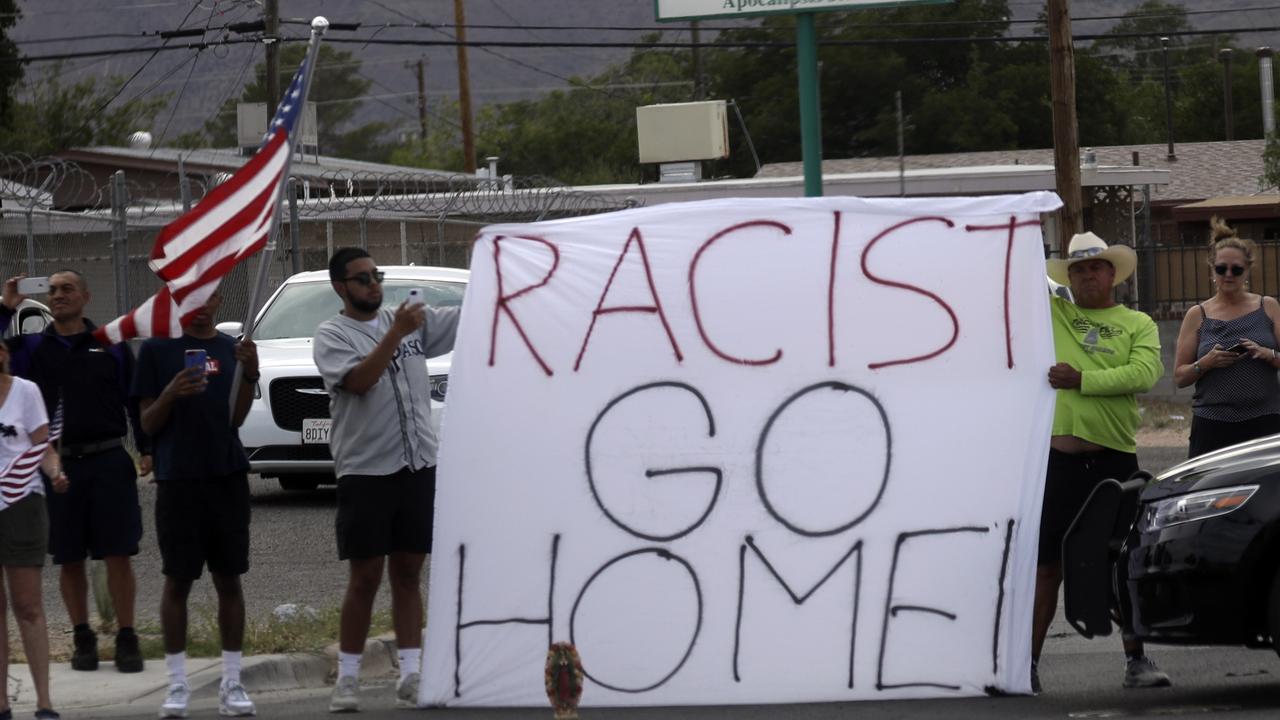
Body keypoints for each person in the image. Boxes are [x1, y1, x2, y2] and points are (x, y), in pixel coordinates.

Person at [313, 248, 460, 713]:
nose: (373, 285)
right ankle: (349, 679)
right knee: (365, 576)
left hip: (416, 465)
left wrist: (499, 268)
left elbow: (473, 314)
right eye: (361, 279)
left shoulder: (409, 322)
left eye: (376, 276)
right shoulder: (332, 335)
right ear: (341, 287)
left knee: (409, 573)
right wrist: (395, 334)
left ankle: (412, 675)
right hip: (366, 471)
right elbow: (359, 381)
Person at [1033, 232, 1169, 693]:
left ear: (1113, 274)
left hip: (1115, 460)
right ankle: (1025, 666)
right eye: (1079, 269)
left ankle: (1137, 659)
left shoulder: (1138, 323)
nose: (1088, 275)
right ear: (1068, 277)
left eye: (1097, 267)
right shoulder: (1052, 312)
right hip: (1058, 461)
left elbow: (1145, 374)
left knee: (1121, 561)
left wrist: (1081, 379)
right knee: (1046, 564)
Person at [0, 271, 150, 674]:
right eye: (52, 291)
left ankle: (126, 637)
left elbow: (134, 398)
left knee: (118, 553)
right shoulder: (33, 347)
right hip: (58, 466)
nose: (58, 295)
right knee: (69, 557)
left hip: (109, 461)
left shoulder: (111, 345)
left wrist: (146, 449)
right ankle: (82, 636)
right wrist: (6, 306)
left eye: (67, 289)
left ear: (85, 296)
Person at [132, 291, 259, 718]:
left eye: (209, 296)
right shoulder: (156, 349)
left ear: (221, 297)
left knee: (230, 579)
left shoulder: (230, 350)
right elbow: (148, 423)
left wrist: (251, 373)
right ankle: (178, 683)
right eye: (191, 297)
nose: (201, 305)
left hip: (227, 476)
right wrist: (169, 394)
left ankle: (232, 682)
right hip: (177, 479)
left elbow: (236, 419)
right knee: (177, 580)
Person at [1172, 216, 1280, 458]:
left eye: (1236, 269)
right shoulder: (1198, 314)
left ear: (1248, 271)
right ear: (1212, 269)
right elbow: (1179, 377)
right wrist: (1206, 363)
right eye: (1221, 269)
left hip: (1266, 422)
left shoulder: (1268, 307)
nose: (1228, 275)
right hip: (1213, 424)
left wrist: (1268, 354)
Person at [0, 340, 67, 720]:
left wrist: (56, 473)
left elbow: (44, 447)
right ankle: (2, 704)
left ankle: (44, 703)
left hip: (22, 501)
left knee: (28, 606)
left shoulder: (26, 391)